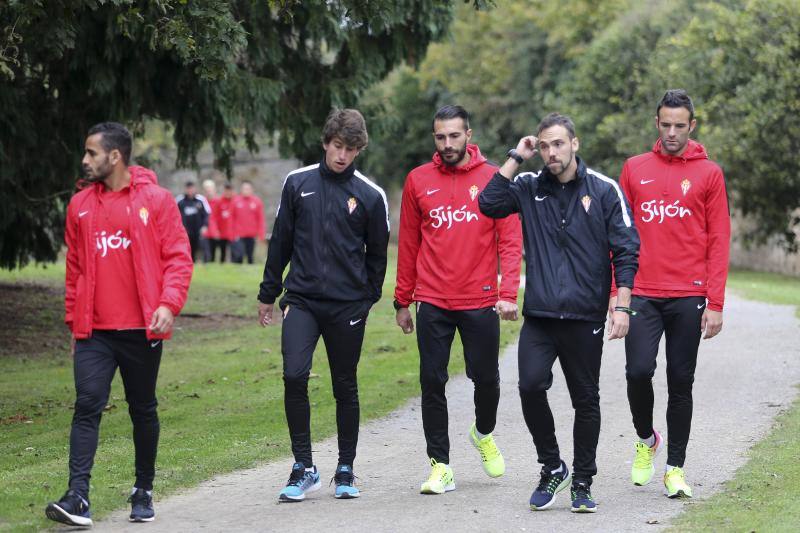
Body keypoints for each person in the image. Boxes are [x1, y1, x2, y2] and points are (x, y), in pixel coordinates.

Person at [479, 113, 639, 513]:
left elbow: (627, 250)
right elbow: (488, 202)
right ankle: (552, 466)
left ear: (575, 143)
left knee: (585, 400)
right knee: (531, 386)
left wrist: (622, 305)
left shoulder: (603, 190)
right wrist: (517, 155)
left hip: (585, 317)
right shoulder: (528, 187)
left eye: (558, 144)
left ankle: (583, 481)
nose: (551, 152)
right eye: (545, 145)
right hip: (541, 316)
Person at [45, 122, 193, 527]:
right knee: (87, 405)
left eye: (91, 153)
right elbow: (75, 269)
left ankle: (143, 489)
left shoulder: (158, 201)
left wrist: (168, 303)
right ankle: (78, 497)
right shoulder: (80, 205)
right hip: (95, 332)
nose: (85, 160)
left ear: (115, 156)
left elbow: (178, 258)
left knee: (142, 408)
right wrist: (75, 323)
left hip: (141, 330)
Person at [257, 109, 389, 502]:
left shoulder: (370, 195)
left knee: (344, 384)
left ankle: (345, 467)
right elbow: (280, 240)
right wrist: (268, 294)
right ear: (325, 142)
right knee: (294, 375)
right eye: (337, 146)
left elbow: (377, 257)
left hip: (348, 307)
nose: (342, 156)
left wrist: (367, 299)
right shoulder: (297, 184)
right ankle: (304, 466)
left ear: (359, 149)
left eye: (350, 149)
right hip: (301, 300)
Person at [393, 105, 523, 494]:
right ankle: (440, 466)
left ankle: (483, 433)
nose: (447, 144)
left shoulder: (494, 178)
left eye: (454, 135)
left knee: (486, 379)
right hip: (432, 299)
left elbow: (511, 241)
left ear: (468, 134)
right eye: (440, 137)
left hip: (480, 299)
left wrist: (507, 293)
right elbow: (409, 243)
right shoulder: (418, 180)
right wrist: (402, 299)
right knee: (431, 381)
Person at [615, 89, 730, 498]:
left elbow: (719, 240)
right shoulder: (634, 168)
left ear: (692, 126)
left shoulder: (709, 174)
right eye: (665, 124)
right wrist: (617, 294)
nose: (672, 132)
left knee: (681, 380)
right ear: (656, 122)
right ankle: (646, 439)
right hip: (642, 292)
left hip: (689, 294)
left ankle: (675, 468)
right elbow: (620, 235)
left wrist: (715, 302)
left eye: (680, 126)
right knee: (637, 372)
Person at [232, 180, 266, 264]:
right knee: (239, 255)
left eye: (248, 188)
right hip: (238, 234)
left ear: (251, 190)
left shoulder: (257, 202)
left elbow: (260, 219)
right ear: (241, 189)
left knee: (250, 256)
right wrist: (232, 233)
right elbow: (231, 219)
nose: (246, 190)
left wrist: (261, 234)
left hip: (251, 235)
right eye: (244, 188)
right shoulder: (235, 201)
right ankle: (237, 272)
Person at [176, 180, 210, 262]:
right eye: (188, 189)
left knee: (201, 247)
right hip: (185, 231)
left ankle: (204, 262)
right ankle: (188, 262)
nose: (190, 190)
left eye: (191, 188)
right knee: (187, 249)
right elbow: (174, 215)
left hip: (198, 230)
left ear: (194, 189)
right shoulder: (180, 201)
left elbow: (207, 214)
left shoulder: (200, 200)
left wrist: (205, 226)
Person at [212, 182, 236, 263]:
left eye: (230, 191)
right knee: (222, 252)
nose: (228, 193)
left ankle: (233, 266)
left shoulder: (236, 201)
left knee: (234, 252)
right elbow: (214, 217)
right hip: (222, 232)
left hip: (234, 232)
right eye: (226, 191)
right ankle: (222, 264)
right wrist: (216, 230)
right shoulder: (219, 202)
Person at [200, 179, 220, 262]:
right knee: (206, 254)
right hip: (204, 231)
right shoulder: (201, 202)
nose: (209, 192)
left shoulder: (218, 202)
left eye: (210, 189)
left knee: (214, 253)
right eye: (207, 190)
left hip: (215, 231)